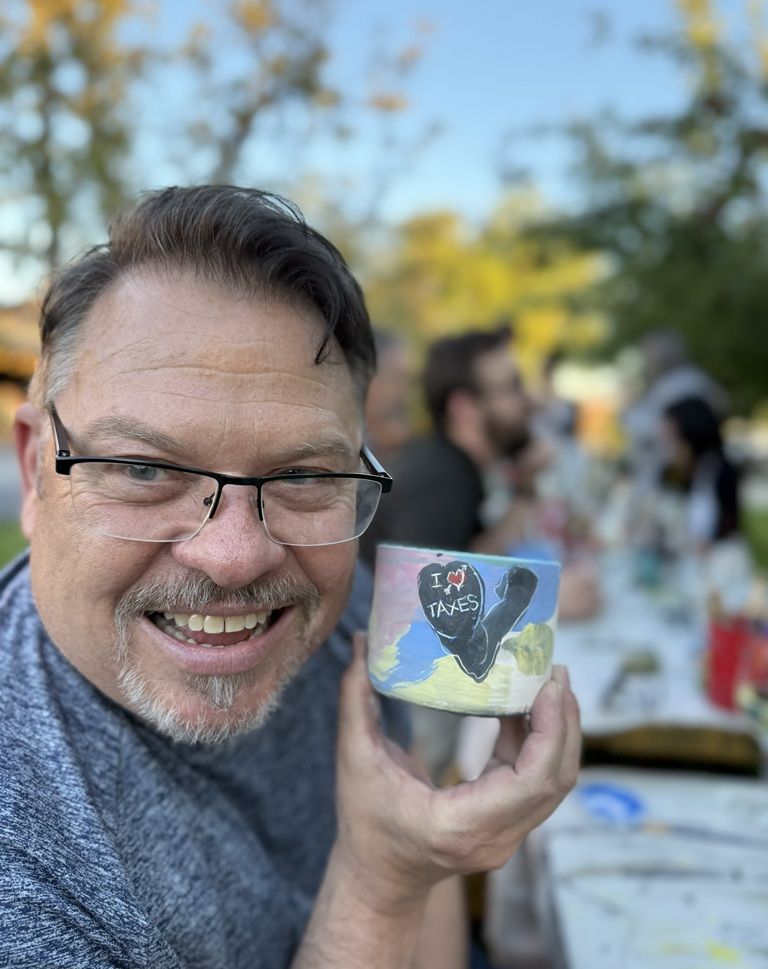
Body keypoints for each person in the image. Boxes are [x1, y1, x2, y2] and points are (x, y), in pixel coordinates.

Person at [0, 186, 580, 968]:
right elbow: (406, 882)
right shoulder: (25, 882)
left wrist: (422, 848)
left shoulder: (351, 616)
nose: (237, 555)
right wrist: (383, 884)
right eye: (143, 467)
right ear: (35, 469)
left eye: (304, 475)